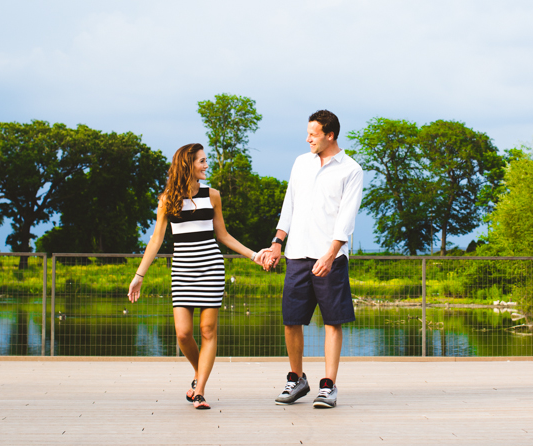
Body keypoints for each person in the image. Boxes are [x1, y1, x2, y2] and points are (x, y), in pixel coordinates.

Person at [128, 143, 268, 410]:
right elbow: (156, 240)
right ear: (188, 165)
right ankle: (198, 373)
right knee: (183, 334)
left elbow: (223, 235)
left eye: (206, 161)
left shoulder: (212, 195)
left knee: (207, 330)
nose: (206, 165)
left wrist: (253, 255)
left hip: (211, 268)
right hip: (182, 270)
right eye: (202, 161)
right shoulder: (167, 198)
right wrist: (139, 275)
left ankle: (200, 390)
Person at [264, 110, 364, 408]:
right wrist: (277, 243)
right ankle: (296, 379)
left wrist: (331, 254)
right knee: (291, 321)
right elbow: (289, 206)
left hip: (329, 257)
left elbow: (346, 218)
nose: (308, 138)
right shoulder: (300, 163)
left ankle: (328, 386)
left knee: (333, 322)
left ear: (330, 134)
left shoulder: (351, 170)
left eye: (313, 134)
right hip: (296, 255)